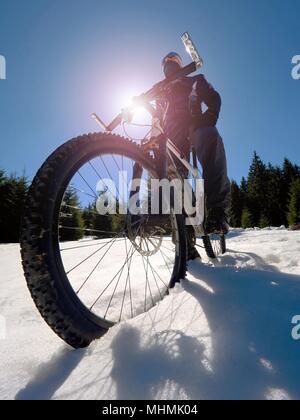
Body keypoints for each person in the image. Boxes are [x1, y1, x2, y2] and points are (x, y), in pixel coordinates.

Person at [159, 52, 231, 260]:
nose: (169, 65)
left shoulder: (193, 80)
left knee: (210, 136)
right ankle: (184, 236)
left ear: (180, 64)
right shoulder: (161, 91)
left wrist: (210, 115)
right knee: (169, 174)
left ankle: (217, 212)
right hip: (172, 136)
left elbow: (214, 97)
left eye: (173, 61)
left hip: (194, 126)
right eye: (165, 63)